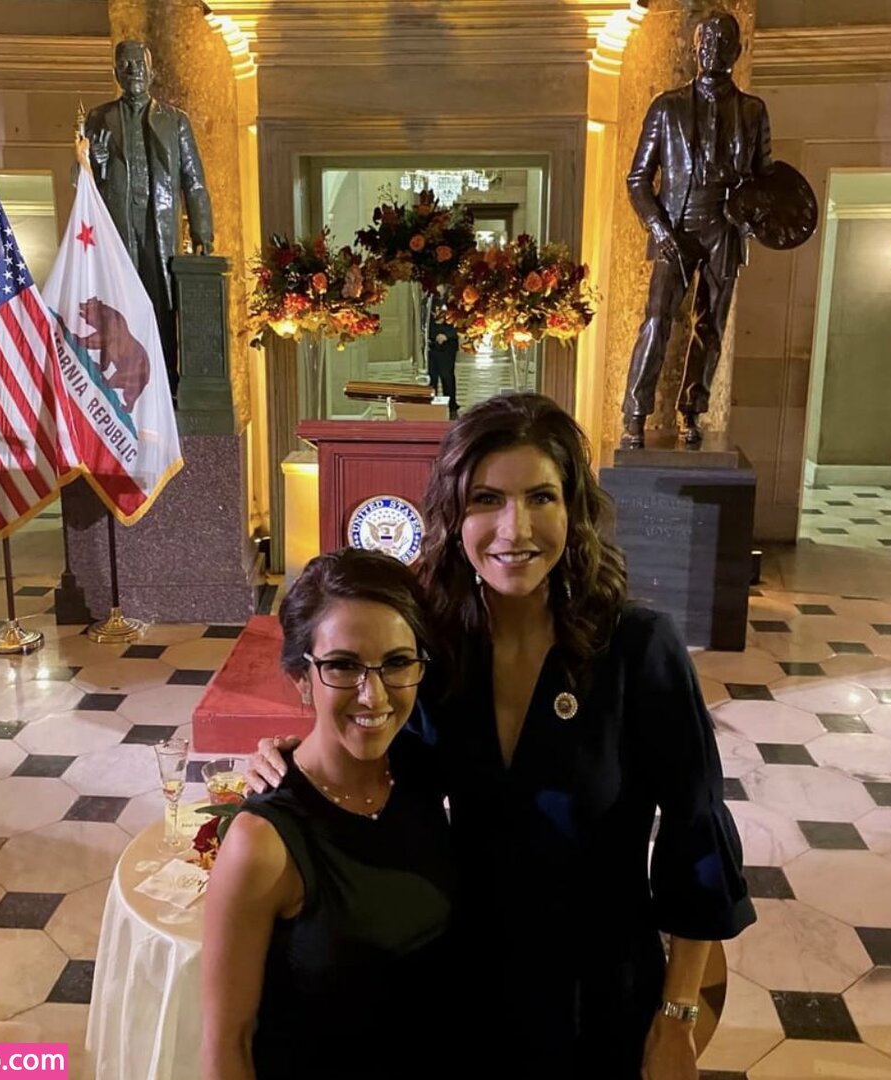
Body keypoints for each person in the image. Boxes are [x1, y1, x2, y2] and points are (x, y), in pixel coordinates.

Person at [248, 392, 755, 1079]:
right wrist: (294, 760)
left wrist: (676, 1014)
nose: (515, 528)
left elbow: (696, 836)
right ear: (453, 515)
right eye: (486, 499)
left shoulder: (637, 649)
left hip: (599, 985)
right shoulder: (434, 647)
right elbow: (381, 765)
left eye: (540, 497)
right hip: (464, 975)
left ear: (573, 510)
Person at [200, 548, 455, 1080]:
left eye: (397, 662)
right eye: (343, 665)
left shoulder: (422, 775)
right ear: (301, 677)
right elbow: (226, 1046)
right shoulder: (263, 842)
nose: (373, 694)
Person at [622, 12, 772, 448]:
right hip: (677, 225)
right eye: (706, 43)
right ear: (694, 48)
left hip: (725, 228)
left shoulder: (753, 110)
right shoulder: (667, 107)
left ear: (736, 51)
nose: (713, 51)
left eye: (723, 43)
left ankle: (692, 410)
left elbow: (765, 179)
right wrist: (658, 227)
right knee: (657, 321)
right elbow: (638, 178)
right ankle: (635, 413)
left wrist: (754, 219)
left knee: (711, 327)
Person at [86, 40, 214, 397]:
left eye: (139, 65)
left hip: (159, 227)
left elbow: (193, 181)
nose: (133, 72)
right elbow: (79, 182)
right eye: (126, 66)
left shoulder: (175, 121)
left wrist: (203, 232)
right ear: (116, 73)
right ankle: (122, 383)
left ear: (152, 72)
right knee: (119, 303)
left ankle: (165, 383)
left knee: (161, 304)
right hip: (118, 226)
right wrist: (94, 163)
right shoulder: (98, 118)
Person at [425, 297, 459, 419]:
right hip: (431, 344)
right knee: (432, 377)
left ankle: (451, 406)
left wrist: (447, 335)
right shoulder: (427, 300)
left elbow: (461, 322)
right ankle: (432, 407)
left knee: (446, 376)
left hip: (447, 345)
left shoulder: (454, 298)